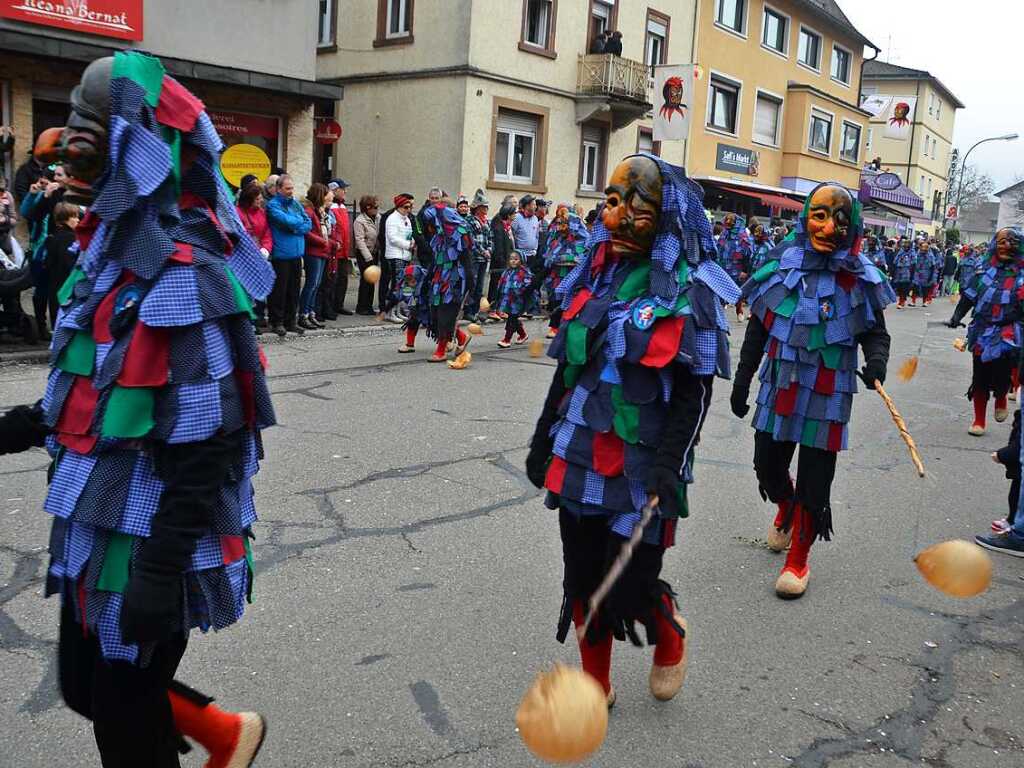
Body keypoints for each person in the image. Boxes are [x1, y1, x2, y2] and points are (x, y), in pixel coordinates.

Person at [28, 50, 274, 768]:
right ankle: (226, 733)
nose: (71, 161)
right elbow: (101, 394)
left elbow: (213, 448)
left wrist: (160, 574)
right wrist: (21, 425)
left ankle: (219, 735)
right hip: (97, 526)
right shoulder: (109, 260)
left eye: (87, 138)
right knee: (84, 686)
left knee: (123, 721)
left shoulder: (185, 274)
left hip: (153, 542)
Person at [524, 153, 740, 706]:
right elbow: (570, 371)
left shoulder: (693, 293)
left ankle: (670, 635)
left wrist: (669, 464)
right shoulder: (595, 280)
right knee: (582, 575)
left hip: (646, 465)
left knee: (633, 585)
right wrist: (543, 436)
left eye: (634, 208)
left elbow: (695, 392)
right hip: (579, 455)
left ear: (668, 217)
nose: (615, 220)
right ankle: (596, 679)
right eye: (611, 204)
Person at [730, 182, 893, 599]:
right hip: (780, 384)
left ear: (852, 226)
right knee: (766, 464)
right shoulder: (781, 266)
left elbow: (876, 333)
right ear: (805, 218)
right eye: (819, 215)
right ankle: (785, 506)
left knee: (816, 482)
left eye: (840, 220)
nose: (828, 227)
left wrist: (876, 362)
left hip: (829, 392)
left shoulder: (860, 278)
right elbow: (758, 329)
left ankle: (798, 558)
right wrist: (744, 379)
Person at [946, 227, 1024, 436]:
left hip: (1007, 333)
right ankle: (979, 421)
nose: (1006, 246)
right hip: (981, 330)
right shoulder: (982, 270)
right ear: (994, 245)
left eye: (1012, 242)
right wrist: (956, 317)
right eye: (1002, 241)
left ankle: (1001, 397)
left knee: (1002, 373)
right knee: (979, 375)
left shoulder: (1022, 276)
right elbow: (968, 297)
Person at [20, 163, 68, 339]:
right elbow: (28, 213)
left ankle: (56, 328)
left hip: (59, 252)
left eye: (57, 176)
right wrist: (34, 194)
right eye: (49, 178)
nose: (53, 181)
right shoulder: (41, 195)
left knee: (57, 290)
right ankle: (40, 325)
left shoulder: (68, 196)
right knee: (40, 289)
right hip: (40, 251)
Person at [422, 201, 475, 362]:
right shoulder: (438, 237)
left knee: (446, 313)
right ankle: (461, 337)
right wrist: (428, 278)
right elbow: (435, 259)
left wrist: (470, 283)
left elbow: (466, 259)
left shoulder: (460, 233)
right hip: (439, 278)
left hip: (454, 280)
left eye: (431, 223)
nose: (429, 227)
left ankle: (441, 350)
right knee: (436, 312)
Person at [266, 173, 312, 336]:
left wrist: (294, 227)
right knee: (280, 290)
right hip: (281, 254)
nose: (290, 191)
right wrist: (295, 224)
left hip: (296, 253)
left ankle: (290, 321)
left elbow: (308, 223)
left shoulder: (296, 204)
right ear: (278, 189)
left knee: (293, 290)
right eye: (287, 188)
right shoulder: (272, 205)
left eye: (292, 188)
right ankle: (277, 321)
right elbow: (285, 221)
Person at [541, 205, 588, 338]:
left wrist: (566, 258)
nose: (560, 227)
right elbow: (550, 255)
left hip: (574, 277)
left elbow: (582, 257)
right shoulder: (558, 238)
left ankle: (568, 326)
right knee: (556, 300)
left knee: (572, 301)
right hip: (558, 275)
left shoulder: (582, 239)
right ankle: (555, 326)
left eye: (563, 223)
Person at [236, 180, 273, 332]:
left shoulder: (262, 213)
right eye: (258, 199)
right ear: (249, 199)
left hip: (258, 257)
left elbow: (266, 234)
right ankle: (246, 323)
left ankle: (254, 320)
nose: (261, 201)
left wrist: (265, 249)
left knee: (256, 293)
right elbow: (238, 235)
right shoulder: (236, 212)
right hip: (243, 259)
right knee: (245, 293)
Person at [299, 182, 333, 330]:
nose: (327, 197)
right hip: (313, 252)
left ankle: (311, 312)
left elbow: (324, 231)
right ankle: (303, 314)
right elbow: (308, 232)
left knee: (316, 284)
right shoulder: (309, 211)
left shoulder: (320, 211)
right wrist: (323, 242)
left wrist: (329, 243)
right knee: (311, 284)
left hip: (322, 251)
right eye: (325, 194)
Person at [42, 201, 79, 327]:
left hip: (54, 285)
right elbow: (69, 263)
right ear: (65, 219)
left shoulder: (53, 236)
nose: (77, 220)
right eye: (73, 217)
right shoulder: (69, 238)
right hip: (65, 285)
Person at [384, 193, 416, 323]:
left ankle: (397, 311)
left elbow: (409, 234)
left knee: (402, 285)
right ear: (398, 207)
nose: (408, 210)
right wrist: (408, 245)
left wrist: (412, 242)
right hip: (395, 255)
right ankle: (389, 312)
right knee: (396, 285)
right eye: (405, 207)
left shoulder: (406, 219)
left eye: (410, 207)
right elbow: (392, 238)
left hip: (405, 254)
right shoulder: (392, 219)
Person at [716, 212, 752, 320]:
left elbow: (747, 255)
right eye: (727, 220)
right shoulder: (724, 234)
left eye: (730, 221)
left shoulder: (742, 236)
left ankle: (739, 310)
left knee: (737, 290)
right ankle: (720, 312)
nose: (728, 223)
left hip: (737, 268)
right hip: (723, 266)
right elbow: (719, 249)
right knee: (721, 289)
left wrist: (745, 271)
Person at [464, 189, 492, 321]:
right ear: (477, 208)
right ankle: (468, 311)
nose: (486, 209)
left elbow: (490, 237)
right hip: (474, 258)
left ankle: (475, 310)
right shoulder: (470, 220)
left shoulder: (486, 221)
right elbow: (471, 239)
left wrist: (490, 250)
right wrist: (482, 251)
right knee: (473, 285)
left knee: (480, 287)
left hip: (484, 259)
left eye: (486, 206)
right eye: (484, 206)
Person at [326, 178, 352, 317]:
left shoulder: (343, 207)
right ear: (335, 190)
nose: (345, 191)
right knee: (332, 280)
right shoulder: (331, 208)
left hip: (344, 250)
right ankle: (329, 306)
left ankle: (339, 304)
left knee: (343, 278)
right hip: (335, 250)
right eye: (343, 189)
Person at [353, 195, 381, 316]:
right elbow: (359, 241)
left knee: (372, 280)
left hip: (374, 252)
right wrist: (368, 257)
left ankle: (369, 306)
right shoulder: (360, 221)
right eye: (375, 207)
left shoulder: (378, 218)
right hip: (364, 253)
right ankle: (361, 306)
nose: (377, 209)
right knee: (365, 280)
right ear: (367, 208)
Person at [496, 250, 531, 348]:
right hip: (508, 299)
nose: (513, 261)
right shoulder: (507, 272)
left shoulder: (524, 272)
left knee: (511, 319)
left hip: (517, 300)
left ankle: (507, 339)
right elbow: (501, 283)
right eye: (511, 259)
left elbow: (528, 285)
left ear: (521, 260)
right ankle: (523, 334)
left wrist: (520, 290)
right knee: (513, 318)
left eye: (516, 259)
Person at [488, 198, 516, 319]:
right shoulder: (499, 227)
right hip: (500, 263)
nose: (515, 215)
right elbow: (499, 247)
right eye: (514, 213)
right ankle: (492, 308)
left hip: (507, 261)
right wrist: (502, 262)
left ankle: (500, 308)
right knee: (496, 286)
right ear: (508, 215)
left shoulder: (507, 227)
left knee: (503, 287)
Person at [911, 239, 938, 307]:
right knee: (915, 287)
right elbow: (914, 263)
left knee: (925, 289)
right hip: (918, 272)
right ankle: (913, 301)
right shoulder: (918, 254)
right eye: (922, 249)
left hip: (926, 273)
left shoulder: (930, 256)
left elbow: (933, 267)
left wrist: (930, 277)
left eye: (924, 250)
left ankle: (925, 301)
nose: (923, 251)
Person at [891, 238, 914, 308]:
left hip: (907, 272)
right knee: (899, 287)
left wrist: (912, 274)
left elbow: (914, 263)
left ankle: (902, 301)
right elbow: (895, 261)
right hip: (899, 272)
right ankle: (902, 299)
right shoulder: (901, 251)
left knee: (904, 287)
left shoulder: (912, 252)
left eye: (907, 244)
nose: (906, 246)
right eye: (905, 244)